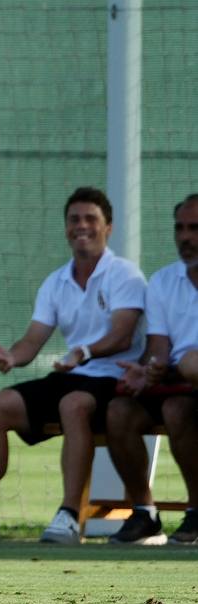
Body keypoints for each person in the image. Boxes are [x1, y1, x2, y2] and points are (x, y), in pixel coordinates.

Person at [0, 187, 146, 545]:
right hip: (73, 376)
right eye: (74, 219)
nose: (81, 226)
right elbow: (33, 339)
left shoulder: (126, 275)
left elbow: (121, 336)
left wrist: (82, 353)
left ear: (109, 228)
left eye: (91, 219)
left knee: (73, 404)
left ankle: (69, 515)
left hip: (116, 378)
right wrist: (12, 356)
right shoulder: (56, 281)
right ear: (66, 227)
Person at [104, 194, 198, 545]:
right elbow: (159, 348)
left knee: (177, 406)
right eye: (180, 228)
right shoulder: (162, 282)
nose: (185, 237)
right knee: (118, 410)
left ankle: (196, 511)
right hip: (178, 381)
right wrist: (149, 370)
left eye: (195, 228)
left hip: (189, 382)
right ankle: (144, 512)